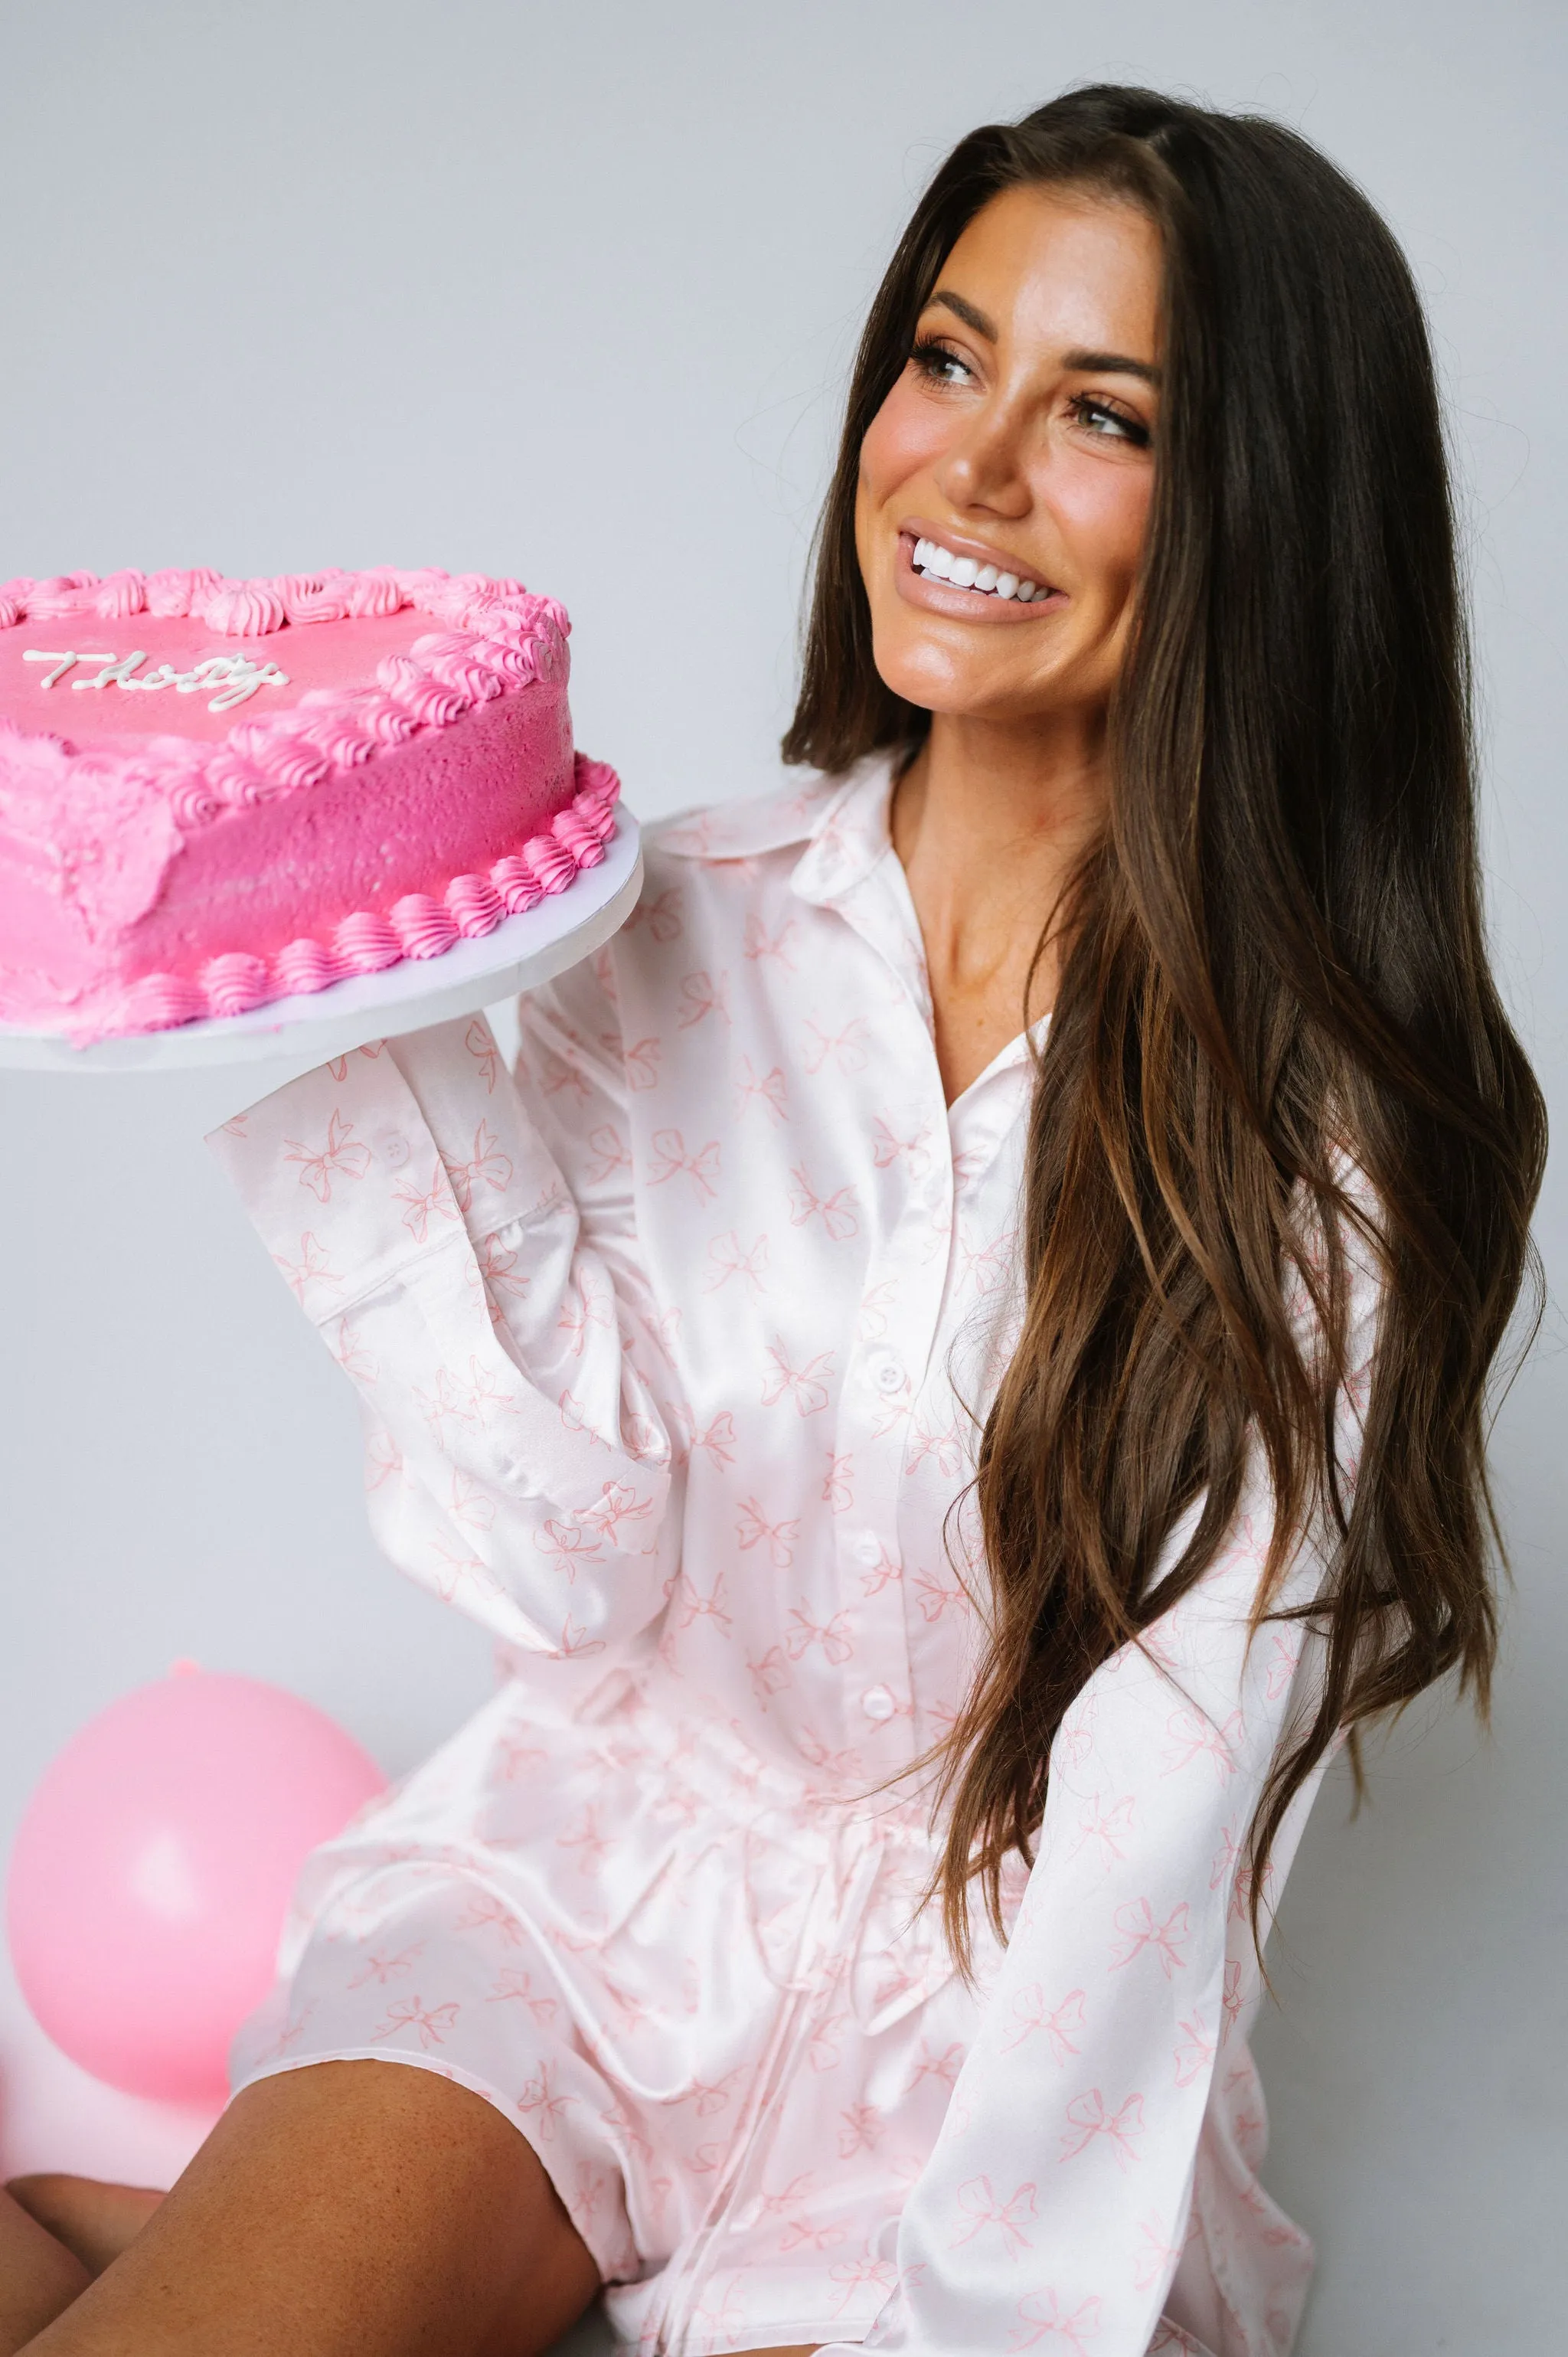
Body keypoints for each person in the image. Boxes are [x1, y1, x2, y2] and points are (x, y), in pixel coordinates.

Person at [2, 82, 1544, 2357]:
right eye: (944, 357)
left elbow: (1148, 1854)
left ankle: (134, 2227)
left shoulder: (1330, 1156)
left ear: (1265, 520)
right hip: (578, 1917)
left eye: (1100, 412)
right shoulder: (652, 930)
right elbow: (569, 1565)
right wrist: (376, 976)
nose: (971, 465)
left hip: (995, 2058)